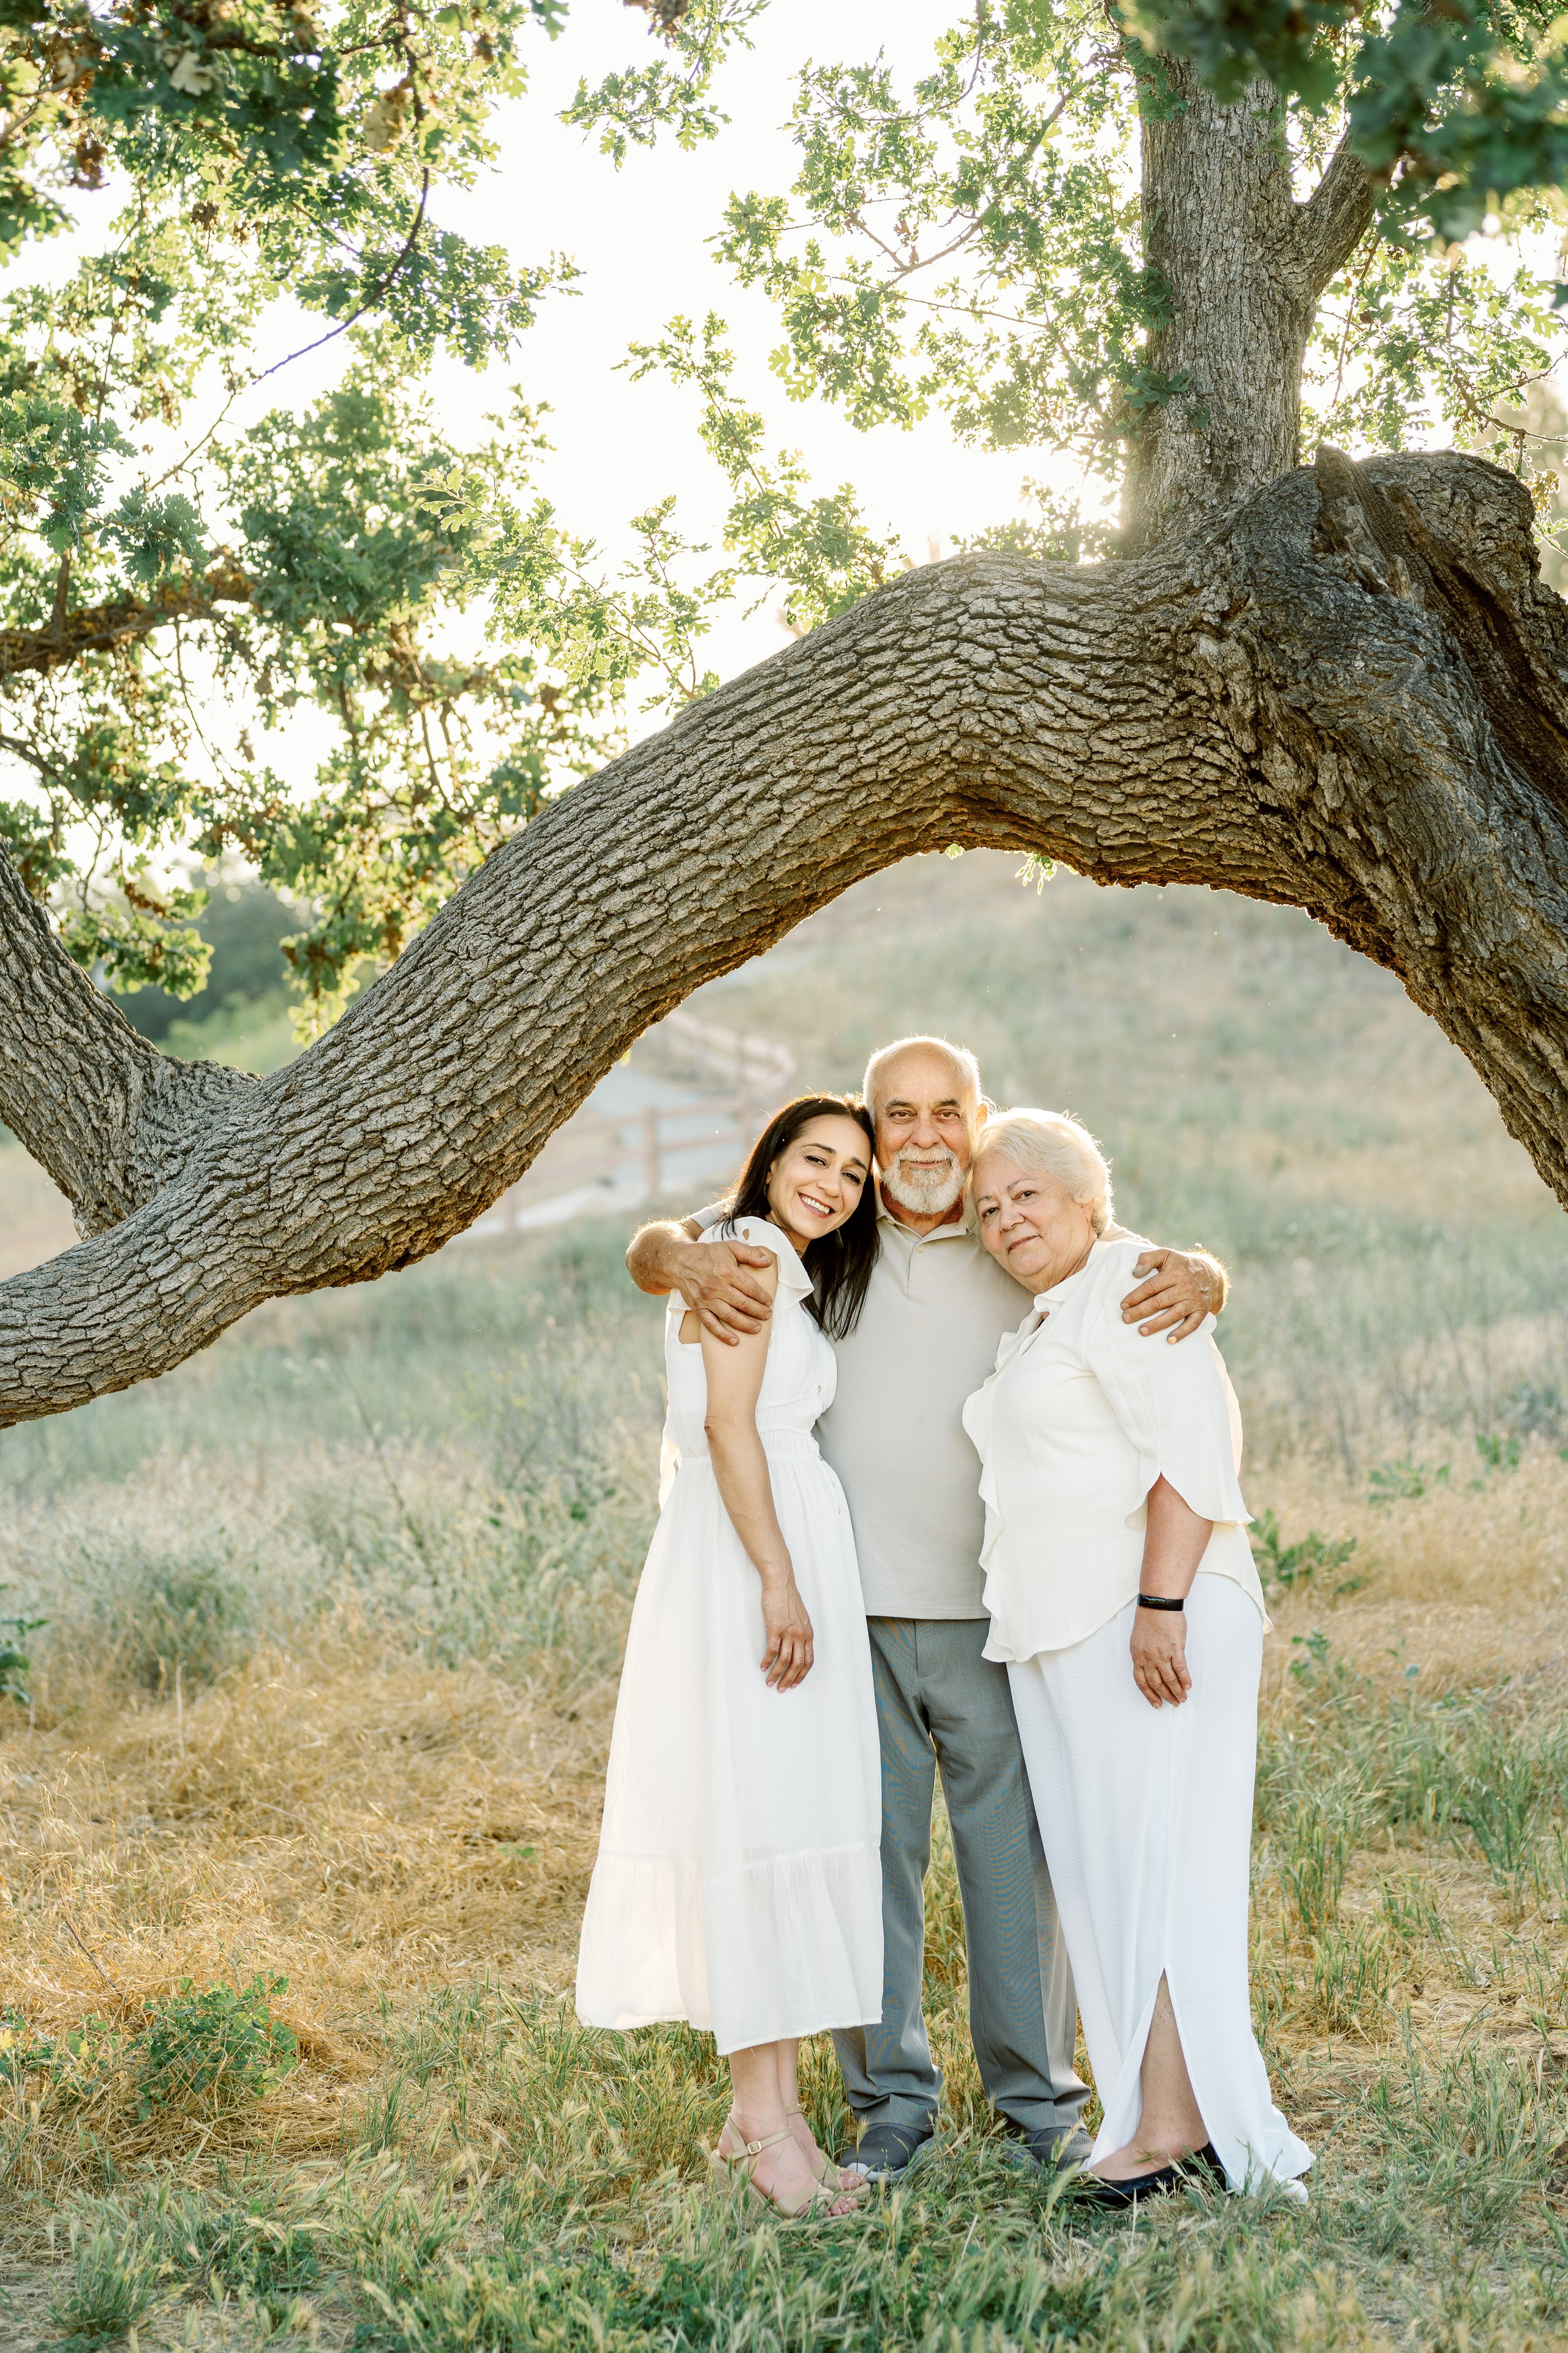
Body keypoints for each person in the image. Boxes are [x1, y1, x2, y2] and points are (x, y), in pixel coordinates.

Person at [627, 1037, 1225, 2184]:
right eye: (896, 1113)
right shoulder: (830, 1234)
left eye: (946, 1109)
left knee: (1013, 1870)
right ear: (868, 1128)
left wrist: (1207, 1272)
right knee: (871, 1865)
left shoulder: (1012, 1229)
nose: (923, 1135)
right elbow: (668, 1243)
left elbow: (1126, 1257)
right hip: (847, 1613)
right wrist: (670, 1255)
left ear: (978, 1116)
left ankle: (1039, 2099)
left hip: (997, 1612)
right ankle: (891, 2102)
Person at [962, 1108, 1313, 2204]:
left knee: (1160, 1866)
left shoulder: (1128, 1283)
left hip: (1143, 1617)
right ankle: (1167, 2112)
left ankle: (1173, 2125)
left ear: (1086, 1198)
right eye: (989, 1208)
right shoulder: (1053, 1313)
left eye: (1027, 1193)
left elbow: (1192, 1448)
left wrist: (1160, 1603)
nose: (1007, 1219)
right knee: (1120, 1869)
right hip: (1072, 1628)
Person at [576, 1095, 884, 2221]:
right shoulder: (747, 1255)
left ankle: (777, 2115)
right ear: (771, 1159)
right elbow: (727, 1425)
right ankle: (762, 2124)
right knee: (765, 1826)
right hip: (755, 1545)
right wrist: (779, 1575)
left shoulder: (755, 1256)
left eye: (854, 1173)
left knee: (781, 1820)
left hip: (763, 1534)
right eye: (818, 1158)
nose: (835, 1185)